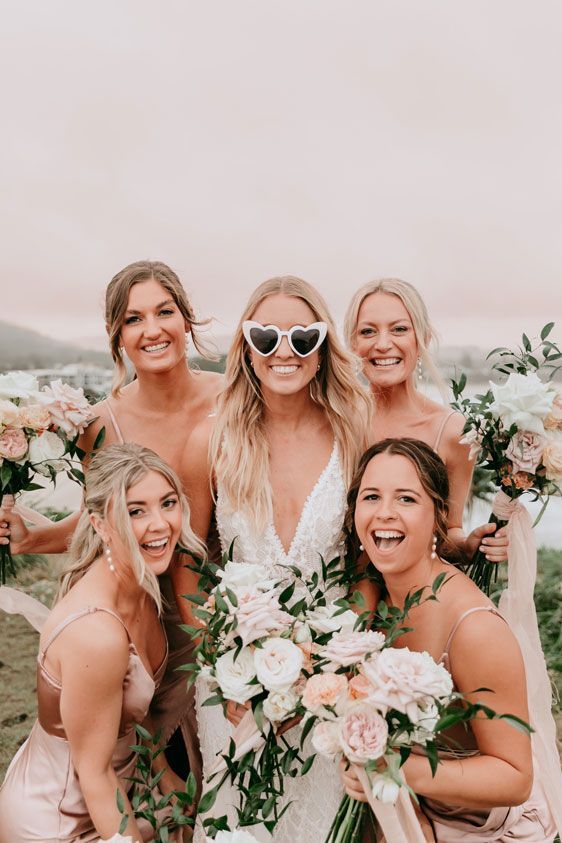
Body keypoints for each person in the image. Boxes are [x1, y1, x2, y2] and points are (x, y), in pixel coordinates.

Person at [0, 260, 222, 784]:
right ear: (115, 336)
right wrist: (36, 538)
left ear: (186, 319)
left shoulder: (233, 399)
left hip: (218, 614)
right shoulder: (99, 425)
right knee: (147, 778)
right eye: (132, 319)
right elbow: (101, 520)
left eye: (164, 311)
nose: (152, 330)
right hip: (140, 623)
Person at [172, 275, 373, 842]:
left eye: (302, 337)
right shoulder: (209, 441)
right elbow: (187, 564)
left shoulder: (353, 435)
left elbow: (365, 569)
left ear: (322, 347)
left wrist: (327, 666)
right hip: (230, 685)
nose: (284, 351)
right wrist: (226, 665)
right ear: (246, 346)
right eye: (266, 336)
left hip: (330, 687)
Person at [340, 438, 556, 841]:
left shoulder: (475, 629)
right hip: (412, 818)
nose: (384, 513)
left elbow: (514, 776)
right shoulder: (371, 599)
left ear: (439, 514)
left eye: (406, 499)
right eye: (371, 496)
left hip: (480, 832)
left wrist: (392, 769)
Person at [0, 443, 206, 843]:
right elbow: (93, 773)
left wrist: (167, 783)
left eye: (168, 503)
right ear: (98, 524)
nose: (160, 524)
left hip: (117, 792)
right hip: (60, 820)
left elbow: (132, 709)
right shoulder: (97, 633)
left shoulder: (140, 582)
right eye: (135, 511)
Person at [344, 278, 508, 563]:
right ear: (353, 343)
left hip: (412, 598)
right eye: (368, 331)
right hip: (333, 594)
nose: (383, 344)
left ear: (422, 339)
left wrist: (470, 546)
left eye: (399, 329)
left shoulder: (452, 432)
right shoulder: (336, 421)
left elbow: (448, 535)